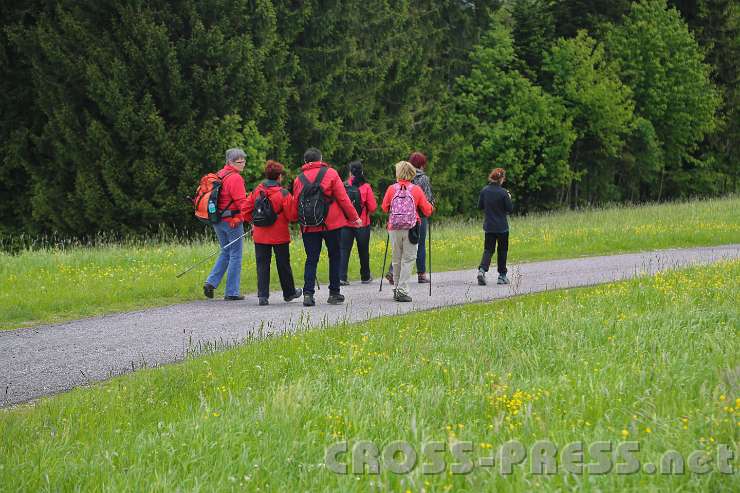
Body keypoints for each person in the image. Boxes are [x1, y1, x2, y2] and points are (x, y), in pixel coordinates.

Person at [292, 148, 362, 306]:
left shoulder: (299, 179)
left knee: (311, 259)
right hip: (332, 224)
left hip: (309, 225)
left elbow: (295, 202)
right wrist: (354, 217)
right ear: (320, 158)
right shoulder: (330, 173)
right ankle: (334, 292)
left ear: (305, 161)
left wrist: (295, 219)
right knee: (335, 256)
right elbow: (343, 198)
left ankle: (308, 294)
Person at [243, 160, 302, 306]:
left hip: (260, 235)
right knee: (283, 264)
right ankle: (289, 293)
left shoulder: (257, 191)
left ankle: (263, 296)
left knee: (262, 264)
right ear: (279, 177)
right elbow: (292, 216)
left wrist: (255, 222)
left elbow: (245, 210)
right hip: (280, 235)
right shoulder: (283, 193)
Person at [381, 160, 434, 302]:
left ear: (398, 173)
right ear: (411, 173)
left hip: (394, 228)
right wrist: (431, 207)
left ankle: (396, 288)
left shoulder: (391, 189)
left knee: (396, 259)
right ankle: (402, 290)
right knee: (408, 259)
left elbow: (385, 208)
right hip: (411, 228)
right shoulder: (416, 189)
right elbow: (427, 210)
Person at [203, 148, 249, 300]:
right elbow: (242, 203)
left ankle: (210, 282)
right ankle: (232, 292)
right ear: (230, 162)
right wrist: (249, 218)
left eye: (244, 160)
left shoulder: (220, 174)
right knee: (236, 255)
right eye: (239, 161)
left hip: (218, 220)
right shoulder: (235, 178)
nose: (243, 164)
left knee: (225, 252)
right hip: (232, 222)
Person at [339, 160, 377, 285]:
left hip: (345, 224)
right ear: (361, 172)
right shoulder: (366, 187)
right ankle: (365, 276)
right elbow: (372, 207)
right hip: (362, 224)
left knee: (344, 250)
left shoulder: (343, 186)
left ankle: (342, 277)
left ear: (350, 173)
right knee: (363, 250)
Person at [477, 167, 513, 286]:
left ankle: (482, 270)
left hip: (489, 226)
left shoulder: (484, 191)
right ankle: (502, 276)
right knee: (502, 250)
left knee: (488, 250)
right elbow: (509, 209)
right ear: (501, 179)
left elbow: (480, 206)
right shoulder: (503, 192)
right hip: (502, 227)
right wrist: (509, 198)